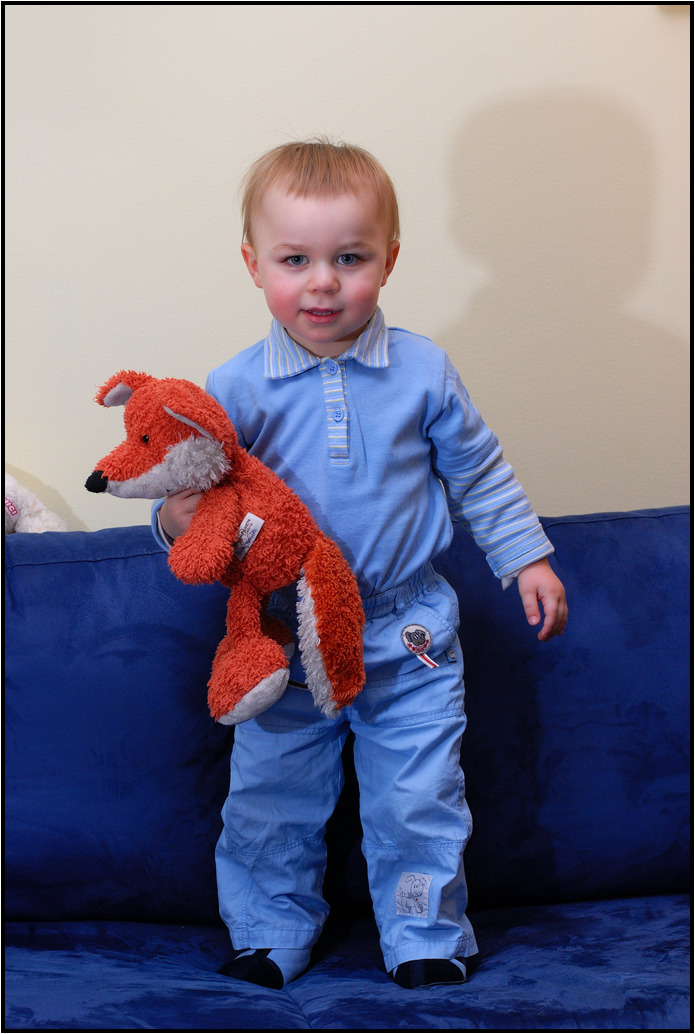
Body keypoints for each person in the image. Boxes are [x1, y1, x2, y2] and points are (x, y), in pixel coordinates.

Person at [154, 139, 568, 990]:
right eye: (294, 260)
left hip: (406, 630)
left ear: (389, 260)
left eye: (350, 258)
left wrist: (525, 556)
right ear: (252, 265)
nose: (322, 283)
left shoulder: (423, 370)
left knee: (416, 795)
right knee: (272, 795)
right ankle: (268, 931)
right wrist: (172, 519)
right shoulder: (235, 388)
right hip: (284, 633)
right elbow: (191, 492)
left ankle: (423, 932)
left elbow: (478, 472)